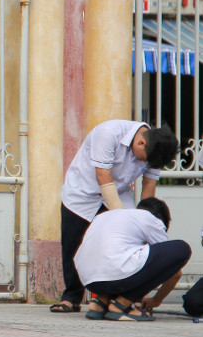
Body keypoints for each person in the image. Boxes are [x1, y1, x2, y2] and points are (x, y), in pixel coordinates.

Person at [51, 120, 179, 313]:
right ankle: (71, 297)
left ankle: (113, 298)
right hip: (82, 193)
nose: (144, 163)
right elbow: (103, 176)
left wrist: (144, 220)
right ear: (141, 143)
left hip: (118, 192)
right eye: (144, 159)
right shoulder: (108, 133)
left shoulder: (156, 151)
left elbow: (149, 186)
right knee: (74, 244)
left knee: (128, 242)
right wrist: (121, 218)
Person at [75, 197, 190, 321]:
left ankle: (100, 302)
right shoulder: (152, 220)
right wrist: (156, 300)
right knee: (182, 249)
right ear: (162, 220)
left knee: (121, 265)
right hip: (115, 275)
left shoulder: (109, 215)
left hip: (89, 280)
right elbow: (173, 272)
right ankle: (122, 304)